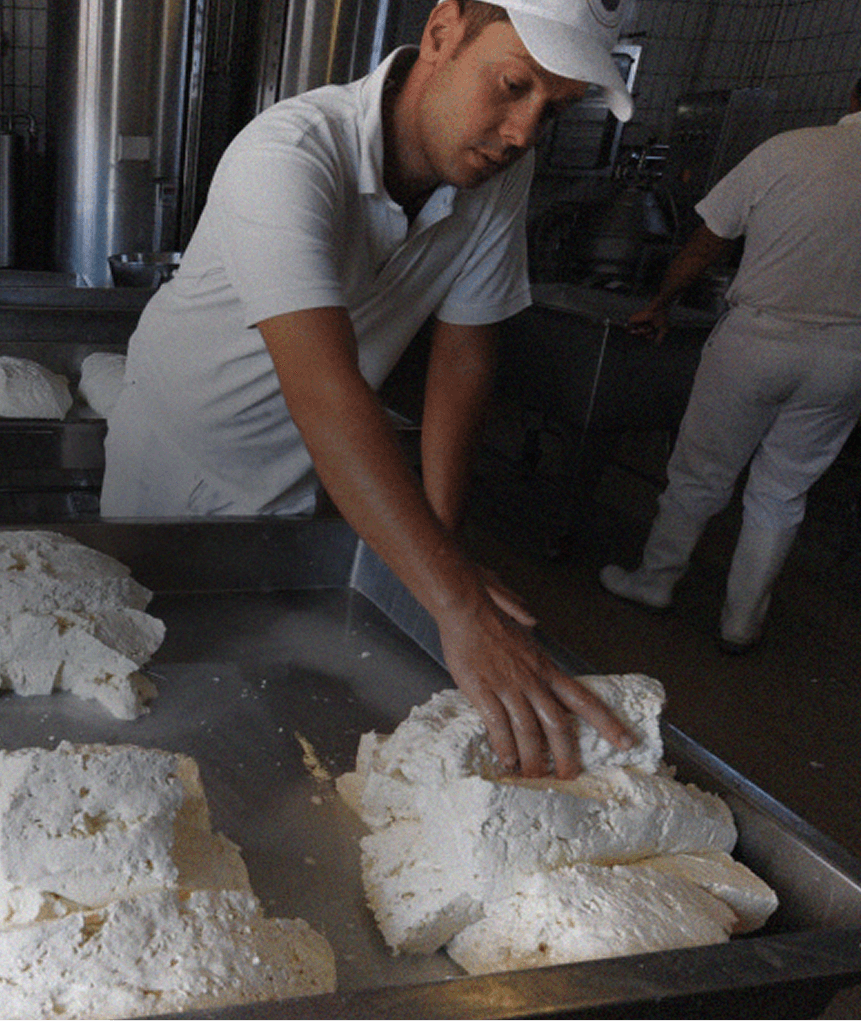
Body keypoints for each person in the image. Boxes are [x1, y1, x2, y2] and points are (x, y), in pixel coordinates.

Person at [101, 0, 637, 778]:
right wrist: (455, 605)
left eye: (551, 110)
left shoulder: (497, 171)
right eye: (512, 85)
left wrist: (441, 559)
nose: (523, 132)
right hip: (176, 466)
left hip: (318, 476)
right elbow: (325, 390)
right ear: (442, 32)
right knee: (159, 714)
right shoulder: (288, 153)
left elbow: (462, 359)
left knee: (264, 713)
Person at [600, 34, 861, 653]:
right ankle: (742, 622)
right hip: (852, 352)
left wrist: (660, 304)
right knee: (783, 490)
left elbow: (707, 244)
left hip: (758, 338)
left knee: (700, 474)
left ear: (855, 92)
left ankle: (655, 582)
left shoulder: (786, 150)